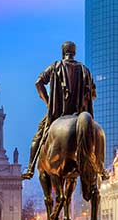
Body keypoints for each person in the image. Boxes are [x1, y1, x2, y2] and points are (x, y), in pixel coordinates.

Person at [22, 41, 97, 180]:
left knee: (38, 136)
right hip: (80, 113)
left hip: (57, 114)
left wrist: (48, 102)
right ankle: (100, 166)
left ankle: (30, 167)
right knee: (93, 135)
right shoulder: (85, 70)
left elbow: (38, 82)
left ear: (63, 52)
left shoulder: (55, 66)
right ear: (74, 52)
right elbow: (93, 93)